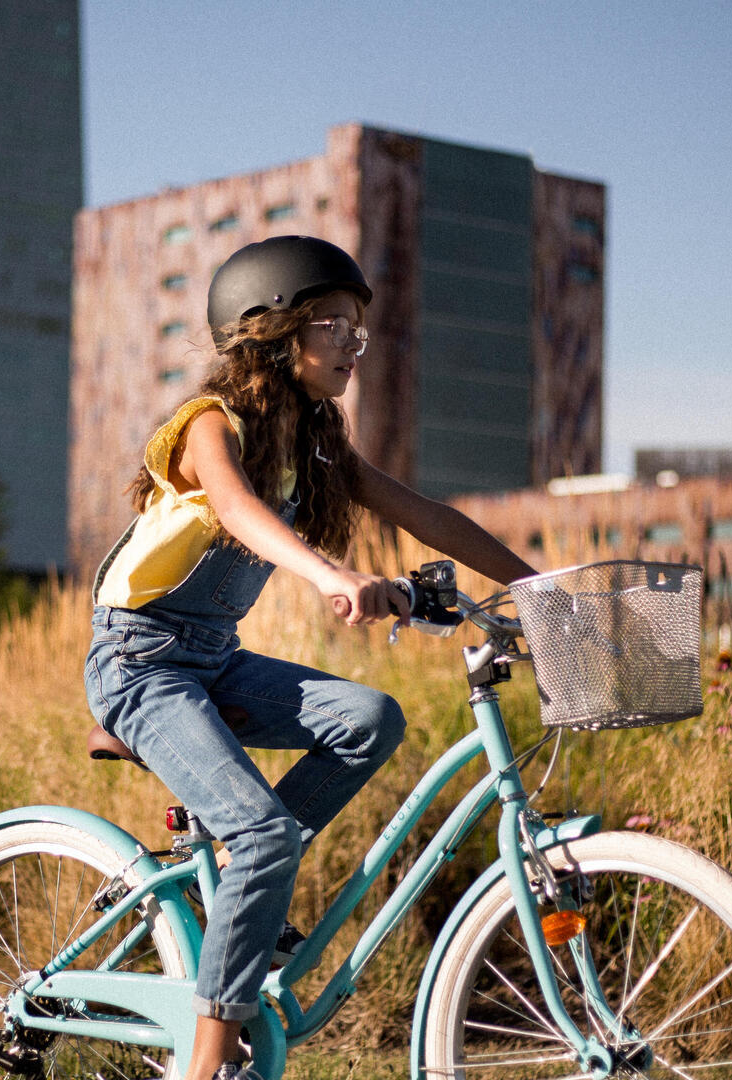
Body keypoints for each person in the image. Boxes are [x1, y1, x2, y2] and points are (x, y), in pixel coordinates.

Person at [83, 235, 537, 1080]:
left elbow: (424, 513)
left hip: (214, 660)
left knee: (370, 718)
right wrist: (330, 575)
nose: (353, 346)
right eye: (337, 326)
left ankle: (242, 881)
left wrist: (545, 588)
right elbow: (238, 509)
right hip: (140, 665)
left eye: (361, 332)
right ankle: (211, 1061)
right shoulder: (207, 427)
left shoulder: (317, 443)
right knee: (262, 835)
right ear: (272, 329)